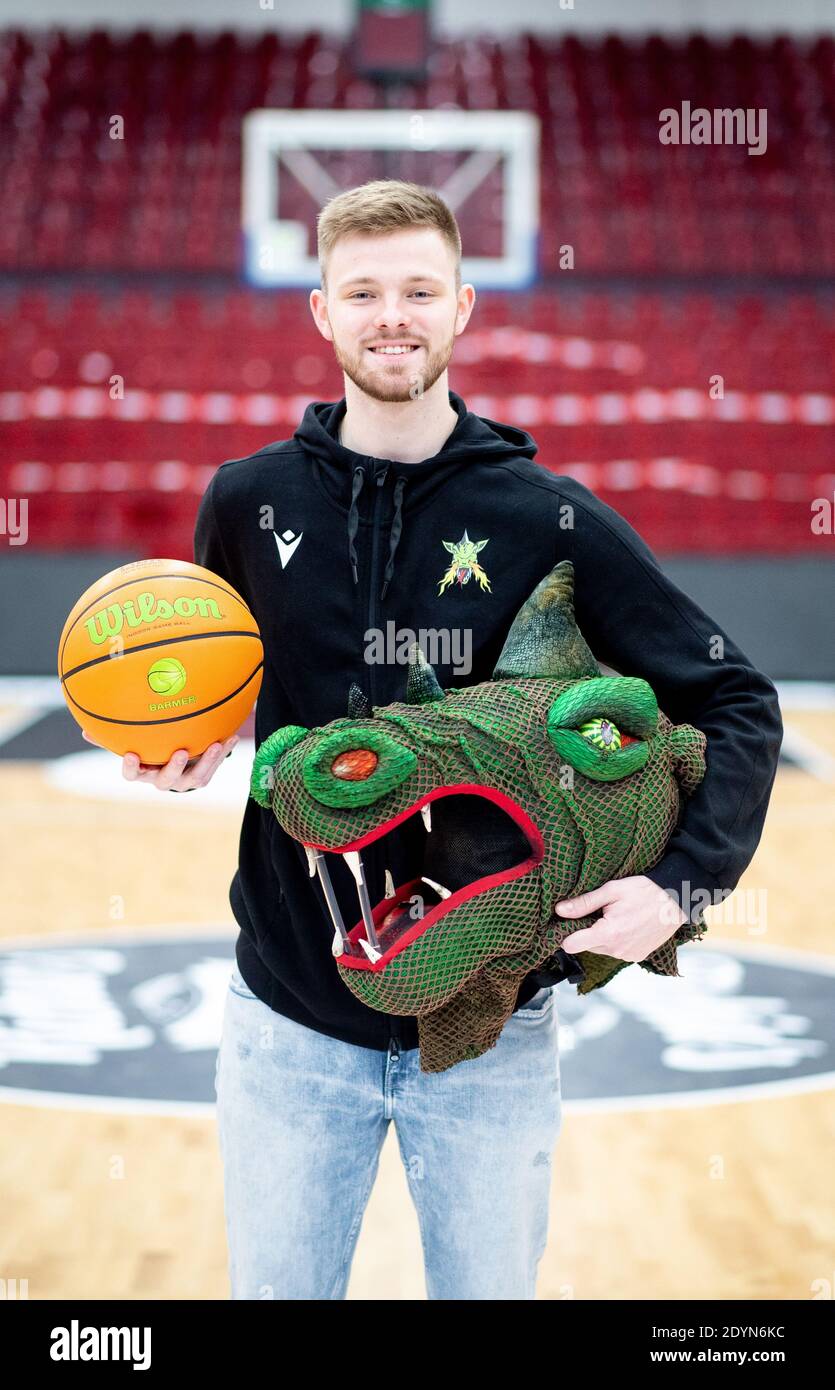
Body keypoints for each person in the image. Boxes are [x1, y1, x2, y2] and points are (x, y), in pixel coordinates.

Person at [91, 180, 783, 1299]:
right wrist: (179, 745)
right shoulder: (245, 499)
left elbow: (738, 699)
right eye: (362, 291)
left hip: (493, 1033)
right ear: (321, 312)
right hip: (288, 1023)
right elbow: (206, 697)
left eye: (418, 289)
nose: (391, 314)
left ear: (462, 306)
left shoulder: (543, 513)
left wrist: (684, 884)